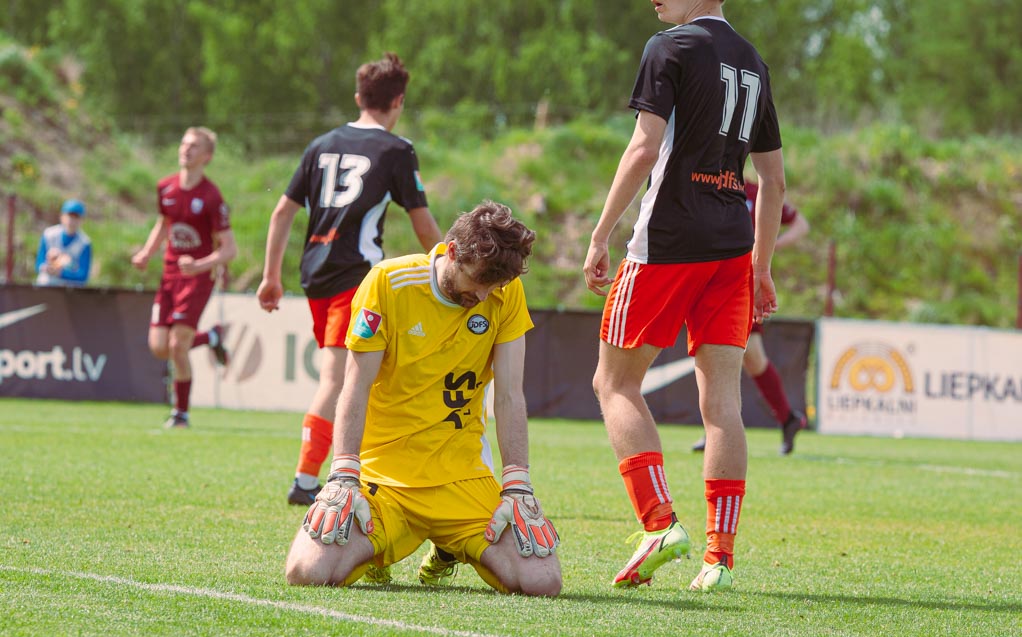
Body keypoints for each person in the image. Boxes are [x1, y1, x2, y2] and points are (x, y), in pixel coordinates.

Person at [582, 0, 785, 592]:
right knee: (722, 404)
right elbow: (773, 181)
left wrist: (600, 234)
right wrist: (762, 267)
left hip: (668, 240)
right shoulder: (753, 61)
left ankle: (659, 523)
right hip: (732, 248)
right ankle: (719, 558)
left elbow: (644, 148)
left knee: (614, 382)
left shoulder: (669, 45)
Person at [284, 200, 561, 597]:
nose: (485, 295)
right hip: (384, 483)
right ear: (453, 252)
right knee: (307, 570)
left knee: (542, 581)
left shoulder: (505, 290)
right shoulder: (387, 282)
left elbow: (509, 396)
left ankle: (446, 548)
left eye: (494, 287)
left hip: (462, 480)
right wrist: (343, 476)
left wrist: (518, 484)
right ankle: (379, 551)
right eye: (478, 281)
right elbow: (355, 387)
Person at [256, 52, 442, 506]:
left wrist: (270, 277)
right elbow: (422, 224)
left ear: (358, 97)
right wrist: (447, 267)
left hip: (315, 274)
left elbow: (282, 213)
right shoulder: (396, 150)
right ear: (398, 101)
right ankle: (306, 480)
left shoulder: (321, 144)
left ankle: (372, 468)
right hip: (357, 279)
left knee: (364, 375)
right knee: (339, 379)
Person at [691, 180, 810, 455]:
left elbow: (801, 224)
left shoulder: (757, 190)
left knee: (730, 353)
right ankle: (785, 419)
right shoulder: (708, 181)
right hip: (714, 278)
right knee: (735, 355)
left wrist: (770, 246)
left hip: (744, 280)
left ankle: (720, 428)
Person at [131, 126, 236, 429]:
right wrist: (146, 253)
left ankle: (181, 414)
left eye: (194, 146)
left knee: (178, 346)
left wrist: (200, 264)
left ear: (207, 156)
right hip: (169, 276)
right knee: (159, 347)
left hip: (197, 279)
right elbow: (164, 224)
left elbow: (230, 249)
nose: (186, 149)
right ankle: (211, 337)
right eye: (184, 143)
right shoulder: (166, 187)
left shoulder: (211, 197)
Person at [35, 199, 92, 287]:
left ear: (81, 220)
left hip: (70, 289)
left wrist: (61, 273)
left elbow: (83, 275)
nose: (72, 221)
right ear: (62, 216)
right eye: (69, 216)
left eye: (76, 217)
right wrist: (48, 267)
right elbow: (39, 264)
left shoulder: (84, 243)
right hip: (48, 285)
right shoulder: (49, 234)